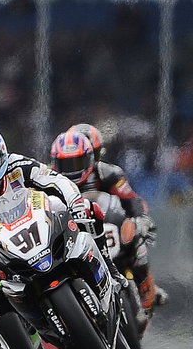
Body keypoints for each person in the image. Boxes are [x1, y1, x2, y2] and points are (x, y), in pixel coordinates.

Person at [0, 124, 99, 288]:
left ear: (1, 152)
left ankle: (112, 273)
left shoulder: (17, 164)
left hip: (36, 225)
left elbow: (56, 180)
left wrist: (75, 204)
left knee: (89, 209)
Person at [51, 128, 165, 313]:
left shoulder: (108, 172)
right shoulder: (50, 180)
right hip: (73, 234)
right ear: (55, 162)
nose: (72, 169)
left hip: (108, 226)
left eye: (77, 161)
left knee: (137, 243)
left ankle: (147, 291)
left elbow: (131, 200)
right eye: (66, 164)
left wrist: (140, 219)